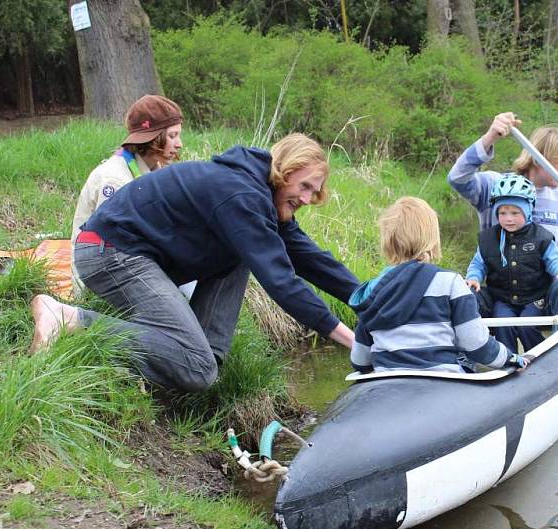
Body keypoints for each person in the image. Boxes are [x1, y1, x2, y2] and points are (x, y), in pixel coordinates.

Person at [30, 133, 360, 392]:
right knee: (196, 368)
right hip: (110, 252)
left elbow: (310, 258)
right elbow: (282, 282)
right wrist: (351, 340)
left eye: (312, 192)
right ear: (283, 172)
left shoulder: (260, 198)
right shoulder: (241, 195)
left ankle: (203, 356)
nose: (306, 199)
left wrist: (372, 299)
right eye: (304, 186)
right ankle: (68, 319)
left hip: (132, 254)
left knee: (207, 359)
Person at [349, 196, 525, 374]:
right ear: (432, 237)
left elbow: (360, 361)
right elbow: (476, 346)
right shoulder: (450, 283)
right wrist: (511, 358)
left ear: (387, 241)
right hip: (443, 381)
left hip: (387, 382)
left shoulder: (372, 291)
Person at [447, 112, 558, 261]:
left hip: (551, 286)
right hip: (504, 287)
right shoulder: (495, 186)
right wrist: (489, 138)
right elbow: (457, 177)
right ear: (538, 160)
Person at [70, 94, 191, 296]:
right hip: (104, 279)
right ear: (152, 139)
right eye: (172, 136)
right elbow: (111, 248)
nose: (179, 144)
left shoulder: (153, 170)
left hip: (135, 261)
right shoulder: (115, 179)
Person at [465, 174, 558, 352]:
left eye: (515, 213)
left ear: (527, 211)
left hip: (535, 298)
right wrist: (473, 277)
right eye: (502, 213)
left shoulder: (541, 237)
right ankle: (508, 360)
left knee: (526, 326)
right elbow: (478, 263)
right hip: (503, 299)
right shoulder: (488, 239)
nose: (508, 219)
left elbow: (554, 260)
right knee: (503, 325)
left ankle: (542, 356)